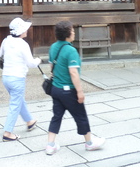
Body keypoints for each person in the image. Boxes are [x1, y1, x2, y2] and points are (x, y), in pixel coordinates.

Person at [45, 20, 105, 155]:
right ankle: (89, 143)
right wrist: (80, 92)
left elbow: (51, 67)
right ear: (67, 34)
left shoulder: (53, 47)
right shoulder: (71, 50)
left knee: (56, 116)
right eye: (72, 31)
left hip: (55, 89)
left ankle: (50, 145)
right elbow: (73, 73)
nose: (74, 33)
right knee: (80, 115)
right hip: (69, 90)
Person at [0, 17, 42, 141]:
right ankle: (7, 132)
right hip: (17, 78)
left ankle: (30, 121)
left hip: (6, 77)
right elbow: (31, 63)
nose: (27, 30)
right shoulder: (23, 45)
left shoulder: (6, 41)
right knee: (15, 104)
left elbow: (0, 54)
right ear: (21, 30)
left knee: (18, 100)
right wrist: (39, 60)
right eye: (25, 29)